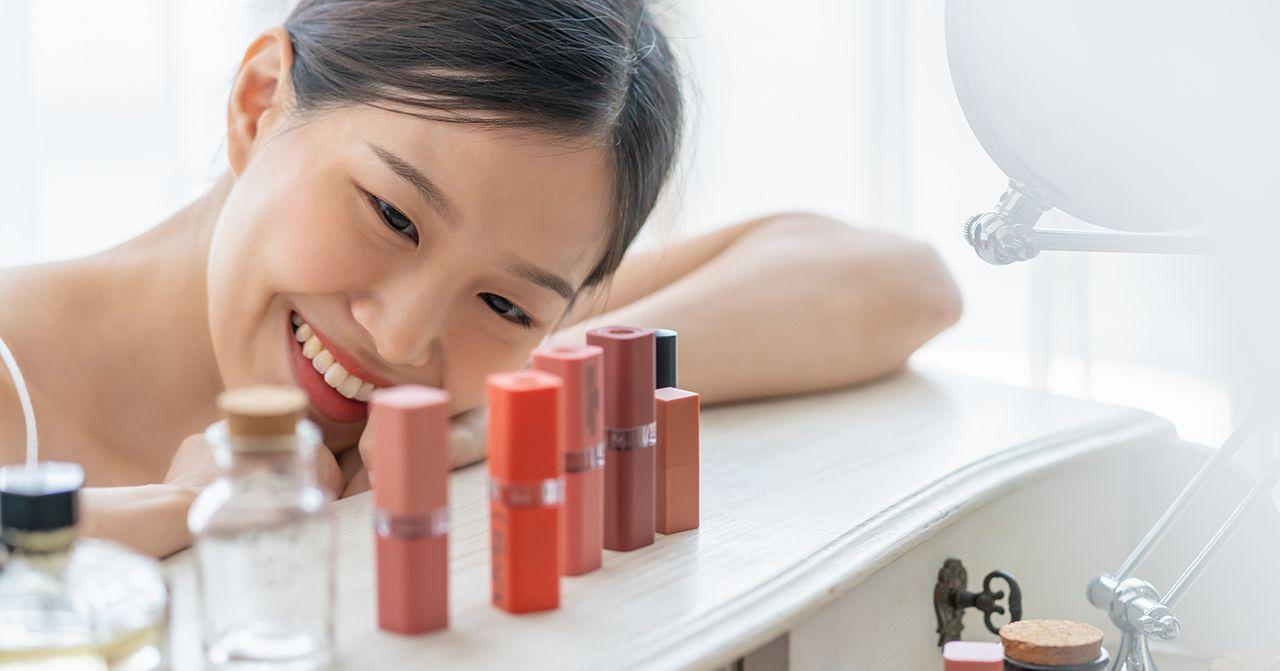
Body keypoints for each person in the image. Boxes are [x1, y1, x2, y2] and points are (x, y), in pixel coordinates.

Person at [0, 0, 960, 557]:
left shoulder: (500, 348)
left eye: (506, 303)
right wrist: (184, 511)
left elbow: (900, 283)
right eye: (391, 214)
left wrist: (537, 395)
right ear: (259, 105)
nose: (404, 336)